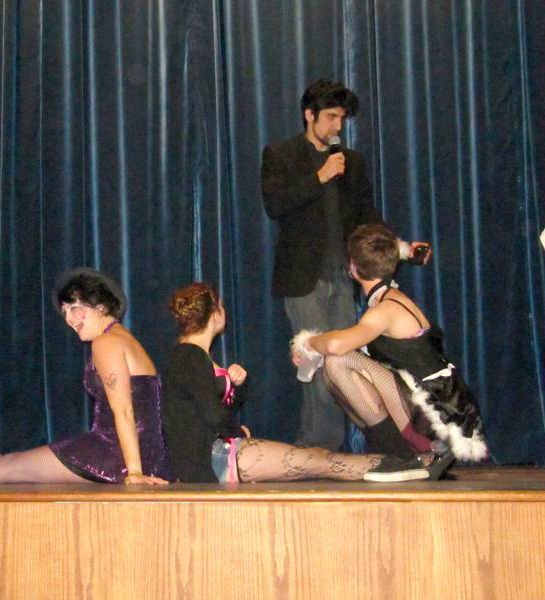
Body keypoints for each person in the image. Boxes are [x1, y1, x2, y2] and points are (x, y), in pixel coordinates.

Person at [261, 78, 431, 450]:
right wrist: (319, 177)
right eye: (331, 117)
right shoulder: (281, 154)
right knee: (316, 363)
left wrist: (402, 248)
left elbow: (367, 217)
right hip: (303, 279)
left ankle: (337, 445)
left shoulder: (352, 162)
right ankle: (317, 446)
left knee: (343, 363)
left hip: (343, 278)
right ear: (309, 115)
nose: (338, 126)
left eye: (341, 118)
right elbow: (275, 205)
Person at [161, 282, 447, 484]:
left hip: (215, 453)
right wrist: (237, 430)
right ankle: (415, 464)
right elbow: (212, 415)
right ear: (214, 314)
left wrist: (239, 386)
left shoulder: (194, 356)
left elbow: (214, 408)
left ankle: (412, 464)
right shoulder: (190, 356)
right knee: (320, 462)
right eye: (222, 306)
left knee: (318, 459)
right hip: (211, 458)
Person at [0, 268, 171, 485]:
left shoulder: (106, 342)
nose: (69, 319)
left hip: (115, 454)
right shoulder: (122, 338)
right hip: (140, 454)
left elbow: (125, 411)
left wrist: (134, 471)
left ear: (100, 307)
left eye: (74, 308)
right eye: (65, 312)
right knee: (10, 466)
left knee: (7, 467)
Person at [296, 223, 487, 463]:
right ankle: (406, 453)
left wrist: (308, 342)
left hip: (436, 418)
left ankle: (405, 455)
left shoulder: (385, 310)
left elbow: (336, 346)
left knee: (337, 362)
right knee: (337, 365)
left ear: (353, 267)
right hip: (439, 407)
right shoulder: (390, 299)